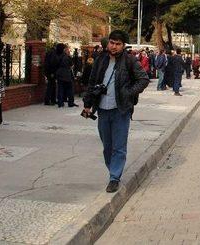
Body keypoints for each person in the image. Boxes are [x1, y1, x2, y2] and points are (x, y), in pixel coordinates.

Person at [82, 30, 149, 193]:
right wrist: (87, 103)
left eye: (118, 44)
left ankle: (114, 177)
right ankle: (113, 169)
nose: (114, 47)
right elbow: (92, 82)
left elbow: (143, 79)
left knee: (118, 146)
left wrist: (128, 93)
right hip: (102, 109)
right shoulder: (100, 60)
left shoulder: (130, 61)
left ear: (123, 46)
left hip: (121, 110)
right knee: (107, 146)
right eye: (112, 43)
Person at [55, 43, 77, 108]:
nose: (69, 51)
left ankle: (60, 103)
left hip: (59, 74)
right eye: (68, 50)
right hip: (67, 75)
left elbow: (56, 65)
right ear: (65, 50)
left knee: (60, 89)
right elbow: (71, 65)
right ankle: (71, 103)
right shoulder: (68, 57)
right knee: (70, 89)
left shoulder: (58, 56)